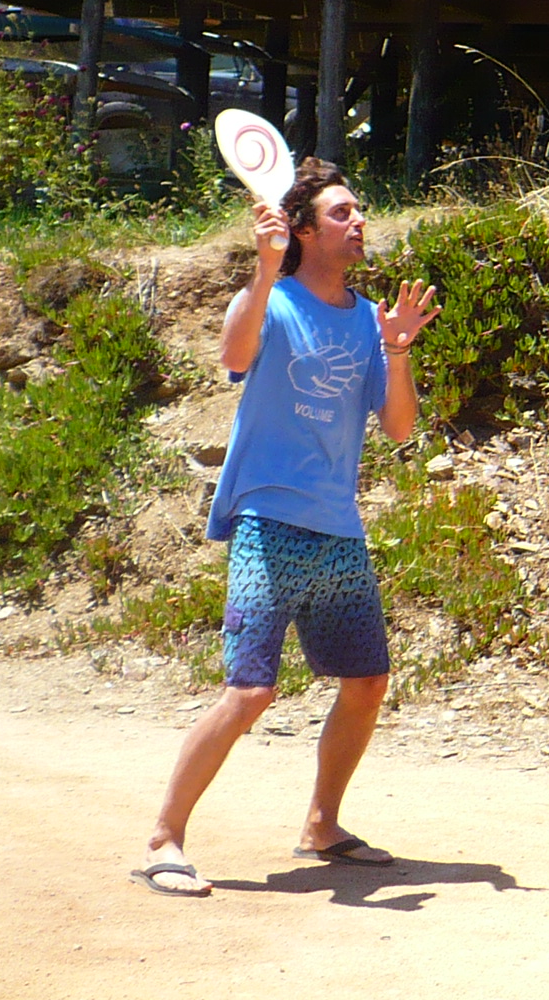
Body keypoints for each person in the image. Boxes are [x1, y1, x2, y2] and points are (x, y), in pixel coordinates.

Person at [133, 159, 439, 897]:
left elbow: (400, 429)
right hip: (267, 520)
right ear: (302, 230)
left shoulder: (367, 320)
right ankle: (164, 840)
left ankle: (321, 826)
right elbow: (233, 355)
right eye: (341, 212)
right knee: (250, 692)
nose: (358, 221)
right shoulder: (272, 299)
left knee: (367, 682)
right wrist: (264, 269)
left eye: (359, 210)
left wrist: (398, 350)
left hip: (337, 527)